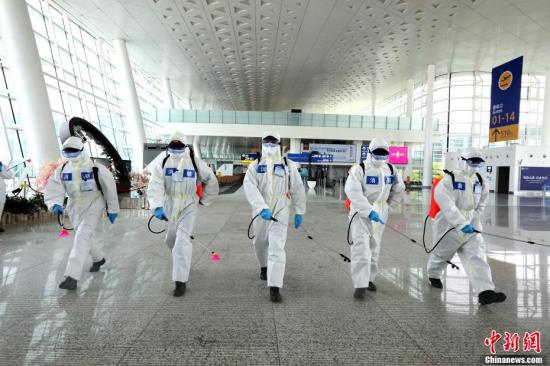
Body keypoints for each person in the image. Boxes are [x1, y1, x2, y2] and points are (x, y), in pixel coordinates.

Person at [427, 148, 506, 305]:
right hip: (448, 224)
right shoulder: (449, 179)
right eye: (472, 162)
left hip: (471, 225)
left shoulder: (481, 180)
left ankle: (485, 291)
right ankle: (433, 274)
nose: (475, 165)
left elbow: (482, 202)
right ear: (462, 160)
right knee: (442, 255)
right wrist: (461, 223)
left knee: (477, 255)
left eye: (478, 162)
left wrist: (475, 220)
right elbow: (446, 204)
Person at [148, 132, 219, 297]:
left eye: (179, 145)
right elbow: (155, 185)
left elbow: (211, 180)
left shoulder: (195, 162)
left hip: (189, 206)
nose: (176, 149)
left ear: (185, 146)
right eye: (173, 146)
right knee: (171, 239)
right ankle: (182, 260)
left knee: (181, 240)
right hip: (170, 207)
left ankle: (180, 282)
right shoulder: (162, 163)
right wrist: (157, 206)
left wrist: (205, 200)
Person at [44, 136, 119, 290]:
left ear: (82, 150)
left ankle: (71, 276)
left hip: (94, 202)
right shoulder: (63, 169)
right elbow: (54, 188)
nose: (71, 155)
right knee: (85, 236)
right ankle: (99, 258)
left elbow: (110, 189)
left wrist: (112, 209)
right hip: (74, 205)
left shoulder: (96, 168)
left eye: (74, 151)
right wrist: (55, 204)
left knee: (82, 235)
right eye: (67, 152)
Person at [243, 132, 306, 302]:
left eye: (273, 142)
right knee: (260, 242)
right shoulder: (255, 165)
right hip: (260, 210)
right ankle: (264, 267)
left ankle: (275, 286)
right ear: (262, 143)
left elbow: (297, 188)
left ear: (279, 144)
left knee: (277, 247)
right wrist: (261, 207)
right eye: (267, 142)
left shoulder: (288, 165)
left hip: (281, 208)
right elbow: (249, 187)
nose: (270, 145)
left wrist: (299, 211)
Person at [344, 138, 405, 300]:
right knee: (361, 248)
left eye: (383, 153)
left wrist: (388, 207)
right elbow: (352, 191)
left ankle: (369, 279)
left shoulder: (391, 169)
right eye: (377, 153)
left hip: (381, 211)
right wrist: (368, 210)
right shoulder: (360, 169)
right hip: (360, 213)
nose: (380, 156)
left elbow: (399, 190)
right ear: (370, 153)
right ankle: (360, 284)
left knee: (374, 246)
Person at [0, 160, 14, 232]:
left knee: (0, 206)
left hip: (1, 190)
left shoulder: (3, 166)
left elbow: (9, 175)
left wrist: (1, 169)